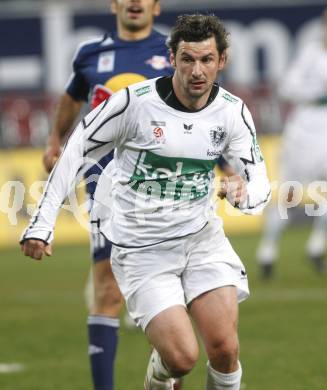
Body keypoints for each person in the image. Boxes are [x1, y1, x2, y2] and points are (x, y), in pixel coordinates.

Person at [21, 14, 271, 390]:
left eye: (206, 59)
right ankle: (160, 373)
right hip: (142, 251)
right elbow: (76, 151)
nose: (197, 70)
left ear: (222, 61)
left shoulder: (232, 111)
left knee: (224, 348)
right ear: (172, 58)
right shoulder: (133, 104)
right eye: (187, 59)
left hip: (202, 241)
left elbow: (259, 180)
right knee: (183, 358)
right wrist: (42, 222)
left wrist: (244, 195)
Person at [41, 1, 174, 389]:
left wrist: (227, 167)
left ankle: (164, 380)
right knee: (107, 288)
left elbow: (197, 114)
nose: (134, 3)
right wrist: (54, 140)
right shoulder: (90, 53)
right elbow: (71, 98)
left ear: (156, 5)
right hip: (105, 178)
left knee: (172, 292)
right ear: (114, 4)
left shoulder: (173, 51)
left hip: (163, 177)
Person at [256, 9, 327, 279]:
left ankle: (317, 245)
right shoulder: (311, 54)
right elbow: (287, 87)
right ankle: (268, 249)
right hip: (304, 127)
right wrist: (318, 89)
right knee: (290, 192)